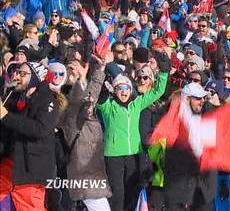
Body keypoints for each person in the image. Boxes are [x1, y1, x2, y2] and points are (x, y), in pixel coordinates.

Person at [98, 54, 169, 210]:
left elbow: (158, 90)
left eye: (126, 88)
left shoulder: (137, 103)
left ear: (131, 90)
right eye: (120, 88)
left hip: (134, 154)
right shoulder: (108, 106)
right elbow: (99, 95)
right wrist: (103, 70)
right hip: (113, 154)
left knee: (132, 192)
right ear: (114, 90)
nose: (123, 92)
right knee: (117, 194)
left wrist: (164, 70)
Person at [59, 53, 113, 210]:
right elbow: (80, 101)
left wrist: (101, 68)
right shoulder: (64, 102)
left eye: (78, 68)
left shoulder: (82, 98)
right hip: (81, 168)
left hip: (90, 165)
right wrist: (82, 79)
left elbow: (91, 94)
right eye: (70, 69)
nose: (74, 72)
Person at [0, 61, 57, 211]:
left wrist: (6, 117)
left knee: (29, 206)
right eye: (17, 72)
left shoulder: (47, 101)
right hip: (10, 162)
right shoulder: (14, 97)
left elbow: (40, 129)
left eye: (23, 74)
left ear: (35, 78)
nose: (17, 76)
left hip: (31, 169)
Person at [158, 82, 217, 211]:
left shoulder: (207, 119)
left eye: (203, 98)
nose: (201, 101)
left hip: (202, 188)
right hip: (177, 186)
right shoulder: (171, 120)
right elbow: (159, 153)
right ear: (187, 99)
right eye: (197, 98)